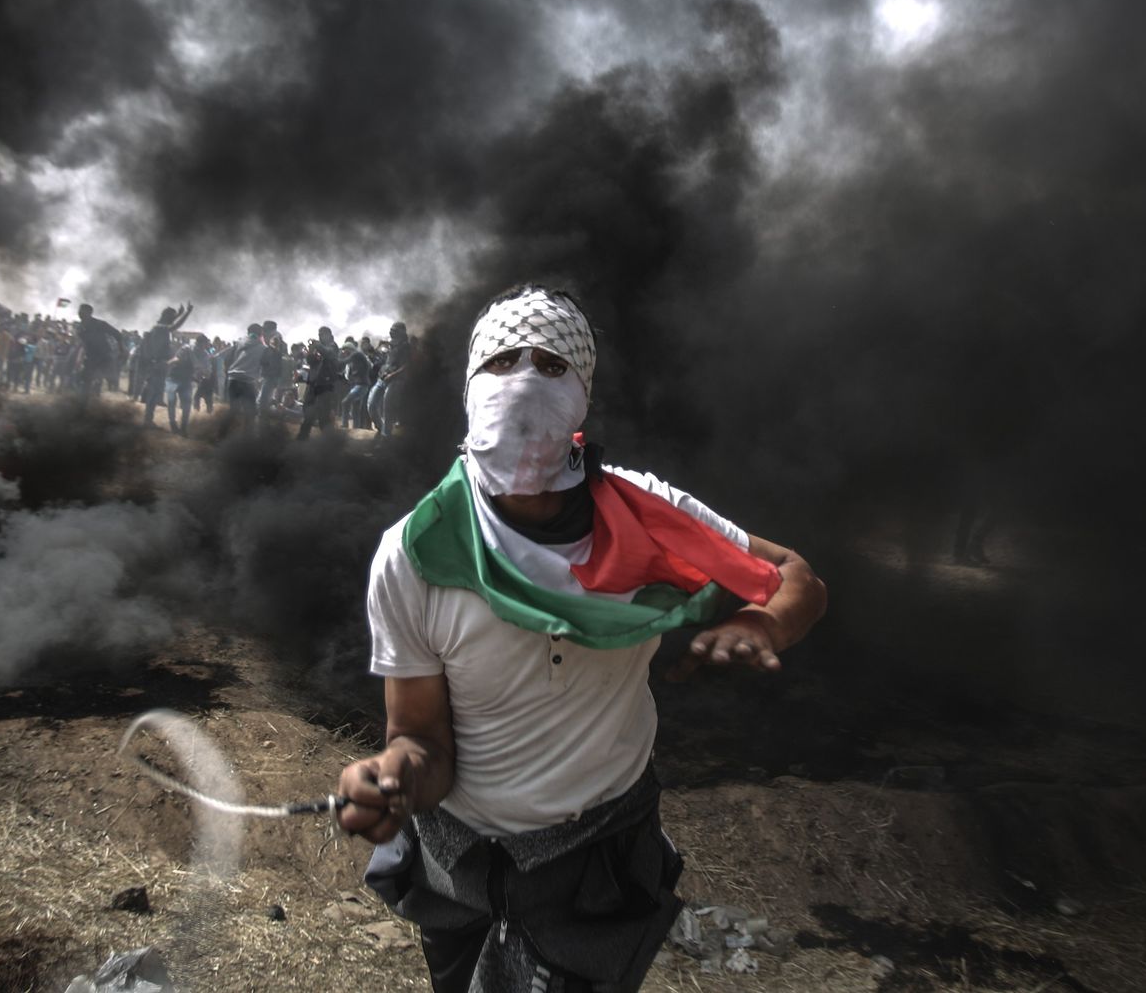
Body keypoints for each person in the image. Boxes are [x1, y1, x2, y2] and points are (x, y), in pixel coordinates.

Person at [335, 285, 827, 993]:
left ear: (582, 399)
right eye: (502, 362)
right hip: (462, 864)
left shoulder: (644, 515)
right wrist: (394, 778)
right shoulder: (416, 553)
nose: (525, 380)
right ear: (471, 387)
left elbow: (794, 575)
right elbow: (422, 742)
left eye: (551, 363)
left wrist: (760, 622)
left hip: (594, 860)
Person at [137, 303, 193, 427]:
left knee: (155, 392)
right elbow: (174, 325)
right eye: (171, 317)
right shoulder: (161, 328)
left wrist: (179, 314)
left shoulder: (158, 327)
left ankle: (148, 419)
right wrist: (186, 313)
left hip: (157, 363)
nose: (172, 319)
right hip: (158, 363)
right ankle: (147, 420)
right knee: (153, 392)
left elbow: (171, 323)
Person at [297, 327, 342, 441]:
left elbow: (329, 354)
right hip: (313, 384)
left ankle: (330, 441)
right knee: (307, 411)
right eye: (319, 334)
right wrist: (310, 351)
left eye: (322, 334)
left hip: (325, 386)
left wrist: (317, 345)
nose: (320, 336)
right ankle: (303, 438)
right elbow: (311, 362)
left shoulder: (332, 346)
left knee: (323, 416)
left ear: (329, 334)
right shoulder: (319, 347)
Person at [367, 320, 411, 438]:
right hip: (382, 378)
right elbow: (382, 358)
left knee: (388, 408)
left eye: (395, 331)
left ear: (401, 333)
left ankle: (386, 435)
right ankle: (381, 429)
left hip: (395, 380)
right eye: (391, 330)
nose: (391, 332)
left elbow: (406, 365)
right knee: (371, 404)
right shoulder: (391, 344)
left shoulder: (406, 347)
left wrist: (392, 375)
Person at [74, 304, 124, 399]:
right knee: (84, 380)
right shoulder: (79, 328)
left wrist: (121, 350)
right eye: (79, 312)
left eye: (82, 312)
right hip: (90, 357)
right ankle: (83, 404)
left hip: (104, 356)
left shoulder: (100, 324)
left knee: (98, 379)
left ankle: (95, 399)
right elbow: (82, 345)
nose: (80, 314)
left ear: (89, 313)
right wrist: (79, 358)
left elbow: (117, 334)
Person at [165, 334, 208, 435]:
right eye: (203, 344)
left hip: (186, 380)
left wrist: (204, 372)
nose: (203, 347)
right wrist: (167, 364)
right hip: (174, 378)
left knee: (186, 404)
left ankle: (183, 427)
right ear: (198, 343)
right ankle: (173, 425)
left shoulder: (204, 354)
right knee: (172, 402)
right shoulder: (186, 348)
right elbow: (176, 359)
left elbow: (206, 370)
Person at [339, 335, 373, 430]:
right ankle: (356, 427)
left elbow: (343, 362)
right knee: (355, 408)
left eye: (345, 350)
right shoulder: (355, 358)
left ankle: (345, 425)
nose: (343, 352)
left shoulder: (356, 355)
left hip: (361, 385)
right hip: (357, 385)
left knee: (345, 402)